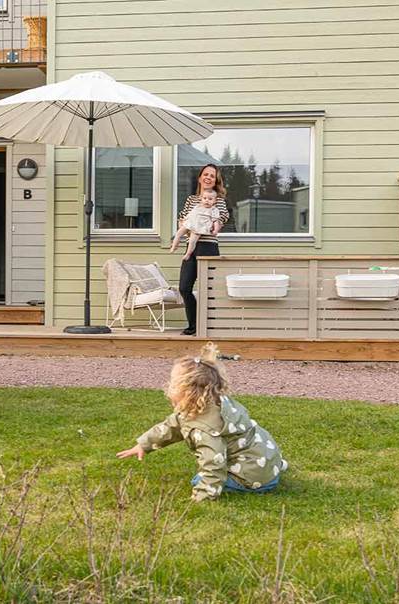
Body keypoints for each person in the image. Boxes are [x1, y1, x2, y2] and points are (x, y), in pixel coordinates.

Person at [116, 343, 287, 503]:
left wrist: (204, 493)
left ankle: (251, 482)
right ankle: (269, 471)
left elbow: (213, 460)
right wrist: (144, 445)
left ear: (187, 390)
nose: (168, 386)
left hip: (254, 477)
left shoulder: (206, 428)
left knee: (198, 479)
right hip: (268, 463)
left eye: (173, 383)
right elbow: (171, 426)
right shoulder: (213, 404)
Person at [177, 164, 229, 335]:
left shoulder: (218, 200)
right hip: (191, 247)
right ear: (200, 178)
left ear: (215, 181)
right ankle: (195, 325)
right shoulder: (191, 200)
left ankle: (209, 327)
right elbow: (182, 219)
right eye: (205, 174)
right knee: (184, 287)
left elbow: (222, 217)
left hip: (208, 246)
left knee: (209, 290)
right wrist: (184, 225)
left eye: (212, 176)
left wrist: (216, 225)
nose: (208, 177)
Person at [170, 188, 220, 261]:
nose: (207, 200)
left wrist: (215, 230)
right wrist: (184, 220)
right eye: (205, 198)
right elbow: (191, 214)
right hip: (189, 223)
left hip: (199, 227)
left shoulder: (213, 210)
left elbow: (216, 221)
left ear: (214, 201)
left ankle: (188, 254)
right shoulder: (198, 206)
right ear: (201, 199)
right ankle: (174, 246)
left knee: (192, 241)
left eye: (210, 199)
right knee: (178, 233)